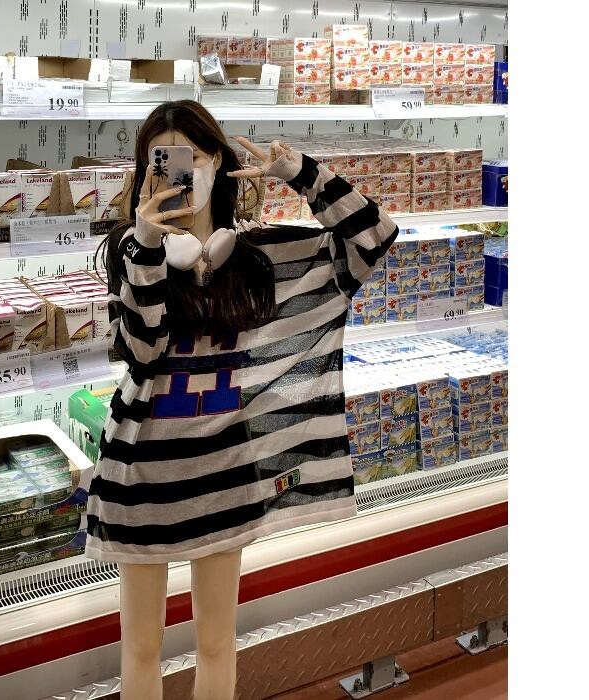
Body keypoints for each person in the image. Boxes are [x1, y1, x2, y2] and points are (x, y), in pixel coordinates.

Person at [87, 100, 398, 700]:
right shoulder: (130, 253)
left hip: (226, 473)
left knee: (216, 642)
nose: (179, 173)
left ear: (218, 163)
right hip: (142, 478)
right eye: (161, 161)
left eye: (192, 157)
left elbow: (373, 237)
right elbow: (143, 350)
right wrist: (147, 243)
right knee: (141, 648)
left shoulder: (261, 259)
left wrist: (300, 172)